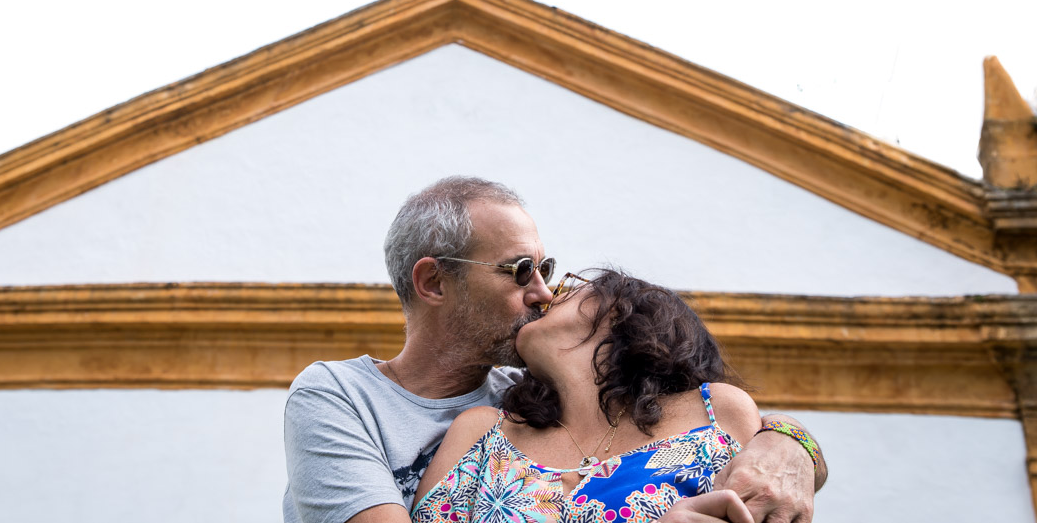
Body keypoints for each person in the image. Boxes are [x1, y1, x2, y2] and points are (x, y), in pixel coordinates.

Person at [282, 177, 825, 523]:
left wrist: (792, 444)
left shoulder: (519, 404)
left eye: (547, 271)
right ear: (434, 283)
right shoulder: (339, 396)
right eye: (521, 271)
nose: (543, 293)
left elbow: (713, 422)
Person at [412, 269, 765, 522]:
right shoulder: (481, 434)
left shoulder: (715, 411)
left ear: (623, 315)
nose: (548, 295)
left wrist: (796, 442)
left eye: (572, 285)